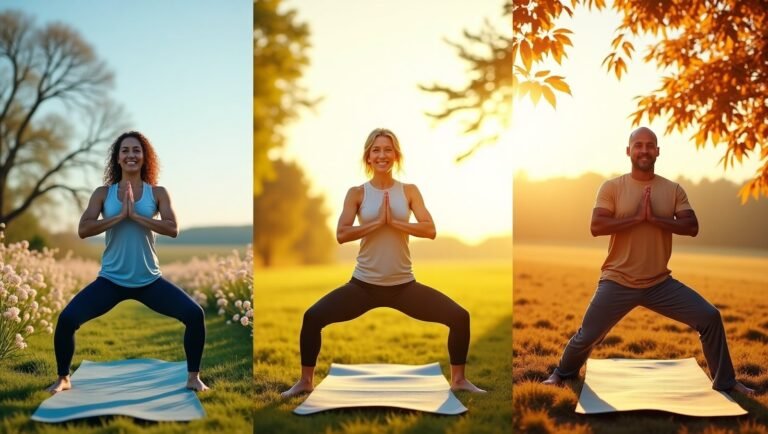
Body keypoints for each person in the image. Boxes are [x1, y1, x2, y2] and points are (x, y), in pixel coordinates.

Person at [542, 126, 754, 395]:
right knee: (588, 335)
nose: (644, 150)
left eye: (649, 145)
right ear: (629, 151)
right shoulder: (612, 187)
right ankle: (561, 373)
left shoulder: (672, 189)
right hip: (617, 280)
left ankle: (726, 382)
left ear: (657, 151)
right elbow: (597, 225)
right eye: (638, 145)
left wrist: (656, 219)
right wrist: (637, 218)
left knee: (710, 317)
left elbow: (691, 226)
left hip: (659, 283)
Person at [281, 128, 485, 398]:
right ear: (368, 157)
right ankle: (306, 382)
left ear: (396, 155)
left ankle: (459, 380)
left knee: (459, 317)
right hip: (363, 285)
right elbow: (342, 234)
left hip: (404, 286)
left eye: (388, 150)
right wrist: (376, 223)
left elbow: (430, 229)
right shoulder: (357, 193)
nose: (382, 155)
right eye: (376, 150)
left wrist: (395, 222)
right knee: (312, 317)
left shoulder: (409, 191)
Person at [45, 131, 208, 394]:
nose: (131, 155)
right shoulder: (103, 193)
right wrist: (119, 216)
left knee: (194, 315)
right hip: (111, 280)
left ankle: (193, 378)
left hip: (149, 280)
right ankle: (63, 378)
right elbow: (84, 229)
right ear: (117, 159)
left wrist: (137, 217)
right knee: (67, 319)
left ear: (145, 158)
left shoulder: (157, 193)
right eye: (125, 151)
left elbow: (172, 228)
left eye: (136, 150)